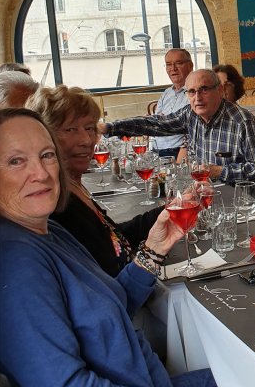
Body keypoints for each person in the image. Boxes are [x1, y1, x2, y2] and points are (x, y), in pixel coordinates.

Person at [0, 107, 255, 387]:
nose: (41, 173)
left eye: (47, 155)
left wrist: (154, 249)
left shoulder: (46, 230)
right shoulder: (14, 264)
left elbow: (104, 317)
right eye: (16, 161)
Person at [26, 84, 162, 277]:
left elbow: (114, 240)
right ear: (45, 137)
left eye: (90, 128)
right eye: (70, 129)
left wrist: (166, 213)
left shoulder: (74, 188)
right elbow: (109, 275)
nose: (86, 140)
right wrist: (154, 252)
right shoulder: (57, 206)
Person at [102, 69, 255, 206]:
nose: (197, 98)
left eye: (204, 90)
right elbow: (156, 124)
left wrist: (220, 171)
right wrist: (111, 127)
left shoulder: (242, 122)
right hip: (212, 193)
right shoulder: (190, 115)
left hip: (248, 198)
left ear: (220, 90)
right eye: (191, 92)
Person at [151, 48, 193, 159]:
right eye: (168, 64)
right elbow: (157, 122)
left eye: (178, 63)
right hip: (156, 149)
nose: (173, 69)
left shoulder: (195, 93)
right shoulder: (167, 93)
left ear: (190, 66)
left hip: (179, 152)